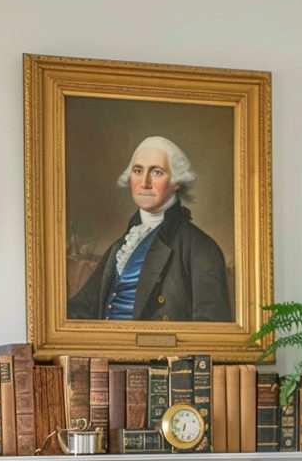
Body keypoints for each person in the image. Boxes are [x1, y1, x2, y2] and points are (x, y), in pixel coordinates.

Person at [67, 136, 233, 322]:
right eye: (138, 171)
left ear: (177, 182)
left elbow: (212, 331)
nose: (144, 182)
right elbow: (82, 308)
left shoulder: (200, 248)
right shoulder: (122, 245)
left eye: (156, 172)